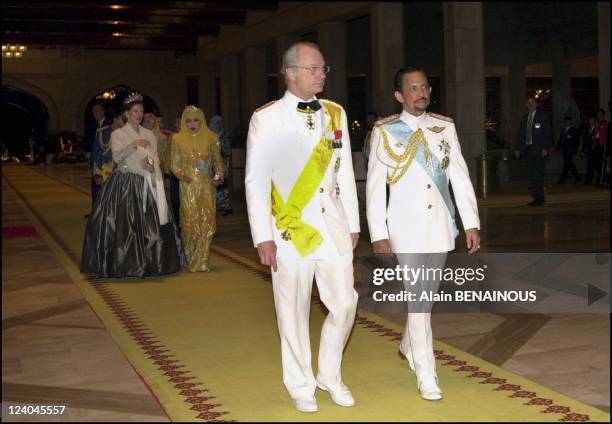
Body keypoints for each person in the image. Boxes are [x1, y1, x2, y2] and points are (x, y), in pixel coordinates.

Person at [245, 41, 360, 413]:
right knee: (292, 309)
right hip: (289, 229)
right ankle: (300, 384)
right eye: (314, 69)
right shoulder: (267, 118)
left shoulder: (336, 113)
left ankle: (330, 374)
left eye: (324, 68)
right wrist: (262, 235)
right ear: (290, 72)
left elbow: (344, 172)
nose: (322, 74)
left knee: (345, 303)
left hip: (333, 226)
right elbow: (256, 180)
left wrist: (354, 223)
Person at [366, 66, 481, 401]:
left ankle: (407, 344)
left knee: (425, 300)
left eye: (425, 87)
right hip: (405, 229)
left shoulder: (444, 126)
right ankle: (427, 373)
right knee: (419, 301)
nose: (421, 93)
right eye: (413, 88)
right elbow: (374, 189)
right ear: (400, 95)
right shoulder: (385, 131)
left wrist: (470, 222)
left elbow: (459, 176)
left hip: (440, 225)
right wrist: (379, 234)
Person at [81, 92, 183, 278]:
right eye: (135, 111)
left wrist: (149, 165)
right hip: (125, 182)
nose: (139, 114)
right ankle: (125, 264)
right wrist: (134, 145)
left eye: (141, 111)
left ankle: (152, 263)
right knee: (124, 225)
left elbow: (155, 157)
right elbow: (117, 157)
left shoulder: (149, 134)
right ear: (126, 114)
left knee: (151, 225)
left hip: (147, 181)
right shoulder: (117, 134)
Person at [170, 106, 224, 272]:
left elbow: (218, 163)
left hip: (207, 188)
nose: (192, 124)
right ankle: (191, 258)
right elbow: (174, 164)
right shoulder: (177, 139)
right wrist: (182, 176)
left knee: (206, 222)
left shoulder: (211, 138)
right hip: (187, 188)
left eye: (196, 120)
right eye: (188, 121)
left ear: (201, 121)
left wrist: (217, 178)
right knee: (189, 222)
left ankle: (202, 260)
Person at [514, 97, 552, 206]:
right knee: (531, 175)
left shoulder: (542, 116)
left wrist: (546, 148)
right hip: (528, 150)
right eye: (528, 103)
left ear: (536, 105)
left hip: (539, 151)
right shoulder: (525, 118)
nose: (530, 105)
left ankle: (540, 198)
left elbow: (548, 133)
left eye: (532, 103)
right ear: (526, 106)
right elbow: (520, 135)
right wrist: (517, 148)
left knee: (538, 175)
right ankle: (535, 198)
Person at [209, 115, 234, 217]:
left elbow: (227, 150)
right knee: (215, 184)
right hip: (212, 165)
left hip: (222, 164)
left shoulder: (225, 134)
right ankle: (217, 206)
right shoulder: (209, 134)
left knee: (222, 185)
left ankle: (225, 207)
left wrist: (218, 150)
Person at [91, 111, 122, 191]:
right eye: (121, 118)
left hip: (121, 171)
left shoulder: (123, 133)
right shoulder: (103, 132)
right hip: (106, 170)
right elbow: (96, 154)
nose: (124, 120)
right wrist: (98, 174)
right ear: (115, 120)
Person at [88, 102, 108, 209]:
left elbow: (106, 147)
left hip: (102, 164)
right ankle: (94, 212)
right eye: (93, 111)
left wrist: (101, 164)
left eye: (97, 111)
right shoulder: (97, 125)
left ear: (103, 111)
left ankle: (98, 213)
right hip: (96, 163)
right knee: (95, 188)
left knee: (101, 190)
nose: (94, 113)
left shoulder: (106, 126)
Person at [555, 115, 582, 184]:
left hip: (570, 150)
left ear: (570, 122)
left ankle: (563, 179)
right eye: (565, 121)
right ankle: (578, 177)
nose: (566, 122)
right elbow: (560, 140)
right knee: (570, 164)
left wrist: (574, 149)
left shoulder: (573, 130)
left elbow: (576, 141)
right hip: (564, 150)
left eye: (567, 121)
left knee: (566, 164)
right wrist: (557, 147)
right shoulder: (563, 130)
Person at [593, 108, 609, 188]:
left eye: (600, 115)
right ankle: (606, 178)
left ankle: (601, 181)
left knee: (602, 164)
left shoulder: (606, 123)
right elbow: (595, 135)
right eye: (597, 115)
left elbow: (605, 134)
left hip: (603, 146)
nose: (598, 116)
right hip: (597, 145)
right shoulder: (597, 123)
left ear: (603, 115)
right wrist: (595, 130)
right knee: (596, 163)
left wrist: (599, 127)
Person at [581, 116, 598, 185]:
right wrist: (583, 150)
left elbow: (596, 141)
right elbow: (585, 141)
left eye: (592, 120)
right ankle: (588, 180)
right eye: (589, 121)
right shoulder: (588, 130)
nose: (590, 122)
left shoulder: (596, 130)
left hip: (594, 151)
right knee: (589, 166)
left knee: (595, 166)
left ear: (595, 121)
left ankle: (604, 178)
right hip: (589, 151)